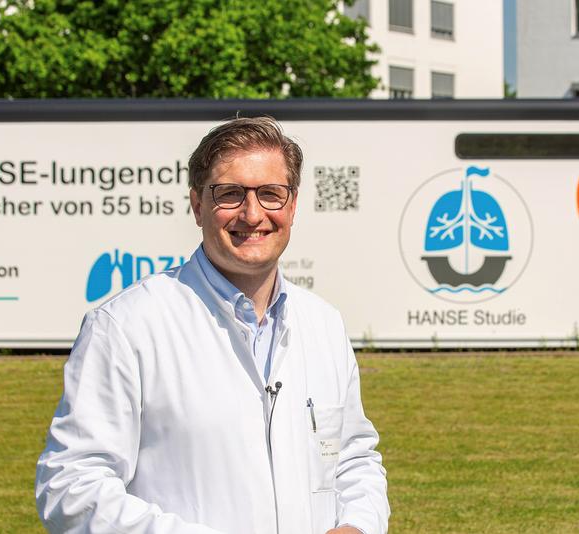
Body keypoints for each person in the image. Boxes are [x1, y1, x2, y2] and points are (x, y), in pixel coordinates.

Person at [35, 117, 389, 534]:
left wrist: (357, 525)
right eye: (230, 194)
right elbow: (72, 487)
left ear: (292, 206)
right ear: (197, 205)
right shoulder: (127, 326)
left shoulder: (323, 324)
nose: (253, 213)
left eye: (271, 194)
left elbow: (353, 458)